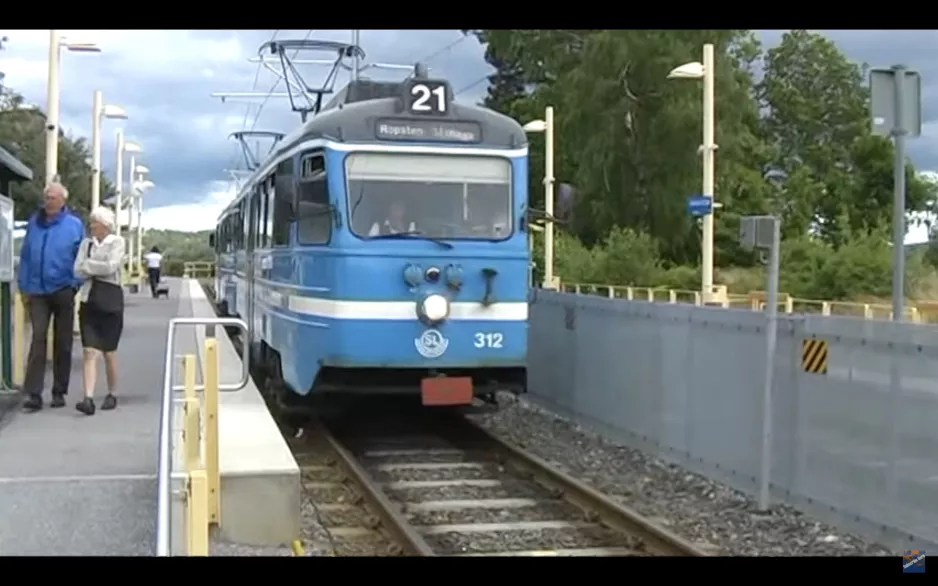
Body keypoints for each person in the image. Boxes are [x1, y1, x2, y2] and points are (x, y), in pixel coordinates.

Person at [17, 182, 84, 412]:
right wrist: (24, 286)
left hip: (63, 288)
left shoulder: (74, 225)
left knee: (63, 341)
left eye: (53, 197)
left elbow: (81, 256)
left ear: (63, 200)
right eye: (46, 197)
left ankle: (59, 390)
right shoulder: (34, 224)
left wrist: (75, 284)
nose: (49, 201)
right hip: (37, 290)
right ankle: (34, 393)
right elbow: (26, 255)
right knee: (38, 338)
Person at [73, 206, 125, 416]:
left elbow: (112, 266)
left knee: (109, 351)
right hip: (89, 300)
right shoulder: (86, 244)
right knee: (89, 350)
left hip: (111, 301)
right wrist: (94, 266)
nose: (91, 226)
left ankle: (112, 392)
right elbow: (77, 269)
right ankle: (88, 398)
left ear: (104, 225)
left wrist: (89, 267)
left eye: (95, 223)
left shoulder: (118, 242)